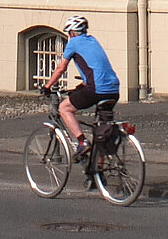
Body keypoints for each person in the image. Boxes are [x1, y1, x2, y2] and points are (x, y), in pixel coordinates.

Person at [43, 14, 120, 158]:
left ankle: (82, 142)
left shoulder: (73, 43)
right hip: (114, 89)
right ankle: (98, 174)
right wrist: (80, 88)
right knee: (101, 131)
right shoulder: (93, 41)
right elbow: (95, 70)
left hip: (96, 89)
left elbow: (61, 68)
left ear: (71, 32)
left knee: (64, 108)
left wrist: (47, 86)